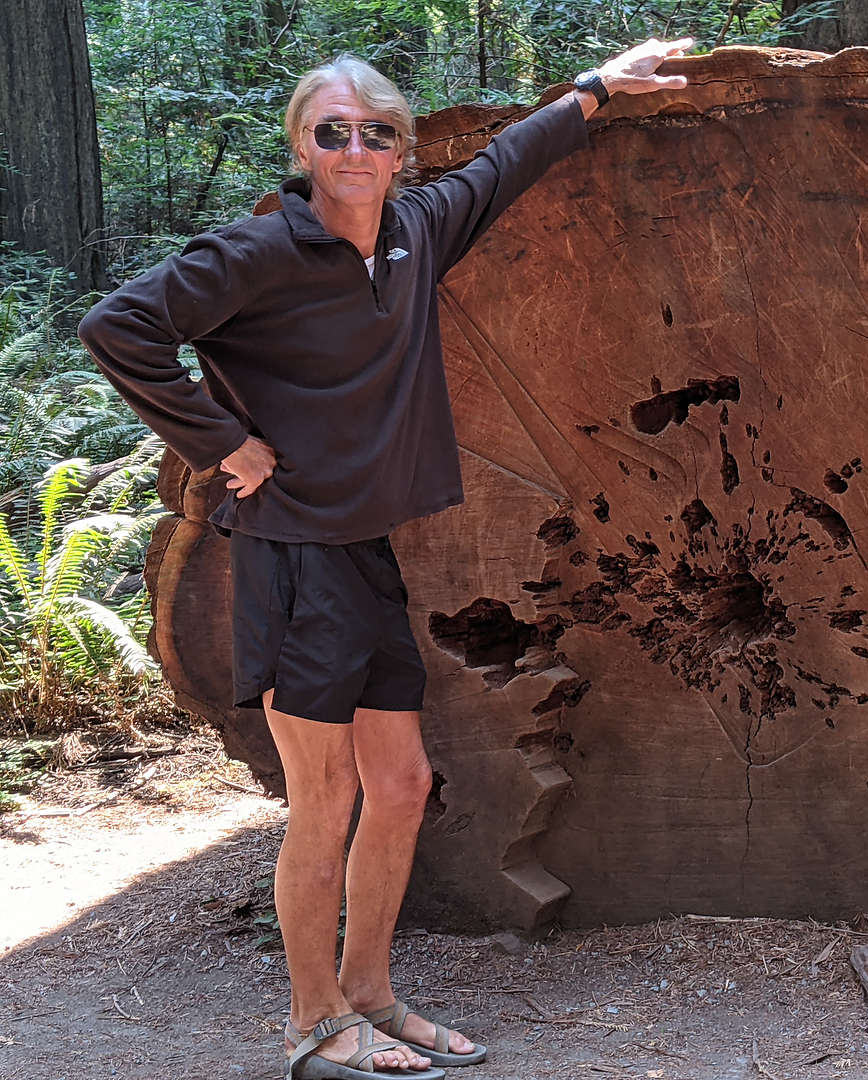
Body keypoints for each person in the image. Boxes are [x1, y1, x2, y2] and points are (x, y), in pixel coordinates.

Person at [79, 37, 692, 1080]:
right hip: (289, 557)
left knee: (400, 785)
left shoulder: (413, 230)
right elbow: (119, 326)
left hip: (362, 553)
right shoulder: (261, 252)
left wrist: (595, 90)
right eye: (333, 132)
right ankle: (312, 1023)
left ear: (402, 150)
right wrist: (221, 444)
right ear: (303, 147)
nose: (355, 147)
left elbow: (501, 166)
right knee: (324, 800)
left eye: (377, 131)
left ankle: (371, 994)